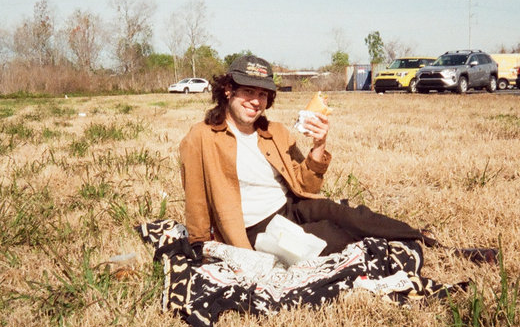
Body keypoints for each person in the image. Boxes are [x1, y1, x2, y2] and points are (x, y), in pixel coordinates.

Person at [178, 54, 434, 255]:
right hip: (257, 228)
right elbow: (196, 198)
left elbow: (306, 186)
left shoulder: (274, 131)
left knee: (350, 216)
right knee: (333, 237)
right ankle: (386, 244)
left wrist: (319, 144)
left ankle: (417, 236)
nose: (255, 101)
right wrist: (200, 243)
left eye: (262, 94)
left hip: (291, 206)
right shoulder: (201, 137)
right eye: (248, 91)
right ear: (228, 90)